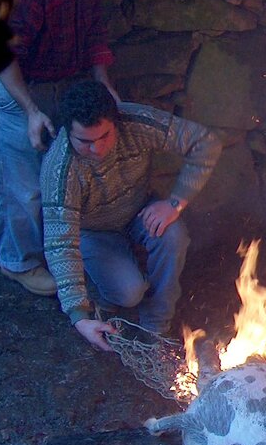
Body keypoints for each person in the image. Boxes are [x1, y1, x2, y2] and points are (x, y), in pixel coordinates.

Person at [0, 0, 125, 297]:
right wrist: (29, 111)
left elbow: (93, 30)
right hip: (8, 85)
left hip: (49, 82)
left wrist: (102, 80)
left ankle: (53, 251)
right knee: (19, 183)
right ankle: (18, 263)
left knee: (51, 174)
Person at [41, 81, 222, 351]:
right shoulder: (60, 171)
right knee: (129, 293)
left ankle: (157, 326)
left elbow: (204, 142)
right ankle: (99, 286)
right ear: (68, 133)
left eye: (105, 136)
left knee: (174, 236)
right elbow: (60, 244)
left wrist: (175, 203)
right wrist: (79, 315)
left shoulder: (137, 122)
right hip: (94, 231)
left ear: (116, 121)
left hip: (139, 210)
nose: (98, 148)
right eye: (85, 142)